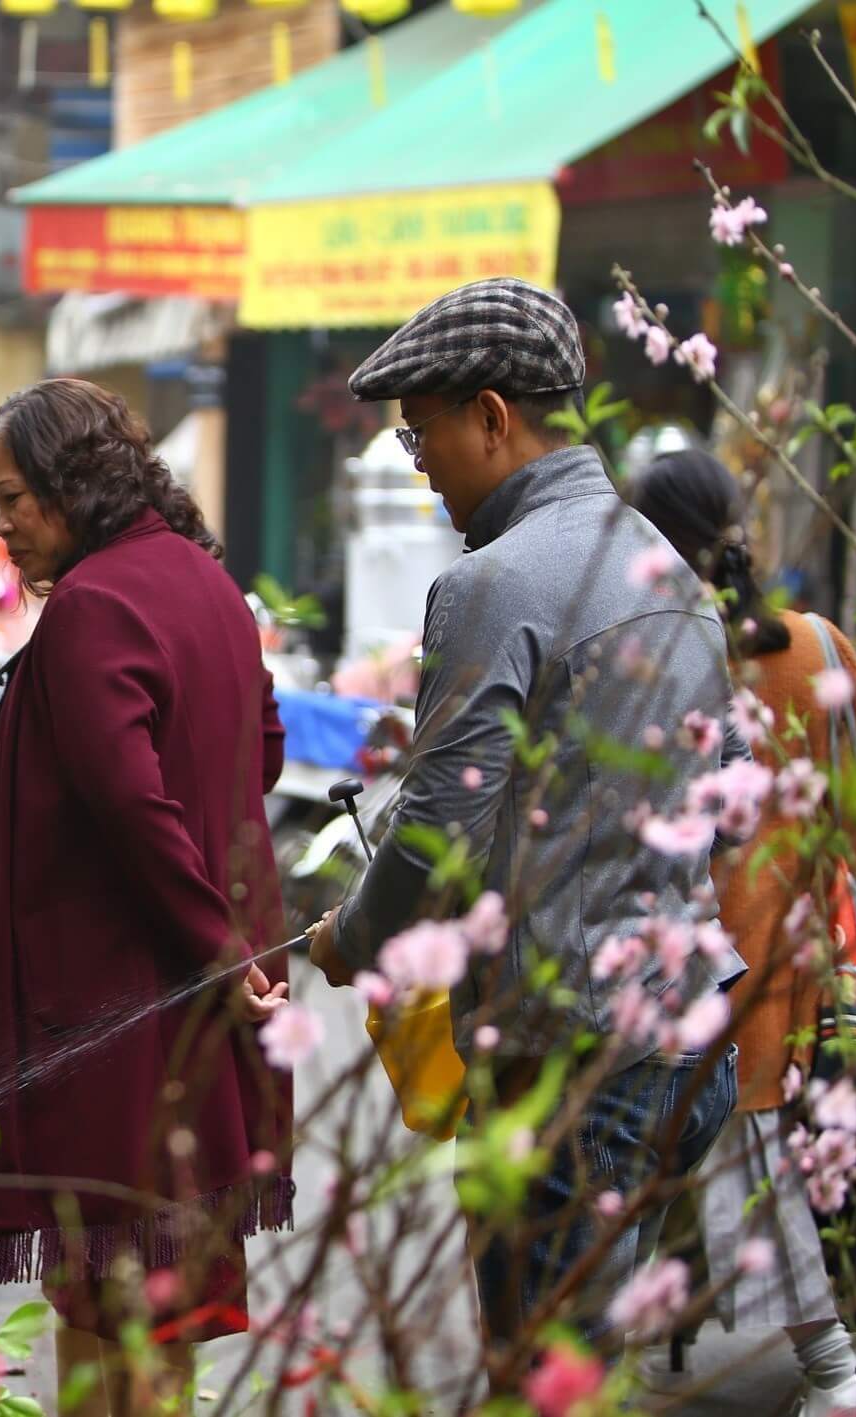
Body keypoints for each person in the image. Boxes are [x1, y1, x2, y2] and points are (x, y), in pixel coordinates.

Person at [305, 278, 744, 1353]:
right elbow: (729, 806)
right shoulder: (669, 565)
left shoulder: (491, 583)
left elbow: (436, 831)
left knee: (539, 1372)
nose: (425, 474)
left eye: (423, 441)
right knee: (586, 1368)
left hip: (570, 1067)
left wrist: (350, 938)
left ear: (493, 416)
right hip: (688, 1040)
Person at [0, 378, 291, 1417]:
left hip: (124, 1016)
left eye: (14, 497)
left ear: (74, 483)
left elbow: (130, 805)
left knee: (106, 1300)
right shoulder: (206, 584)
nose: (2, 525)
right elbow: (264, 751)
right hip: (204, 1010)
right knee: (162, 1301)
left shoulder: (92, 607)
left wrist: (211, 946)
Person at [628, 449, 856, 1414]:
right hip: (804, 948)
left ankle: (832, 1371)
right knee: (746, 1159)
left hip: (707, 956)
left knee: (733, 1164)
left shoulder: (660, 653)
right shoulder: (817, 646)